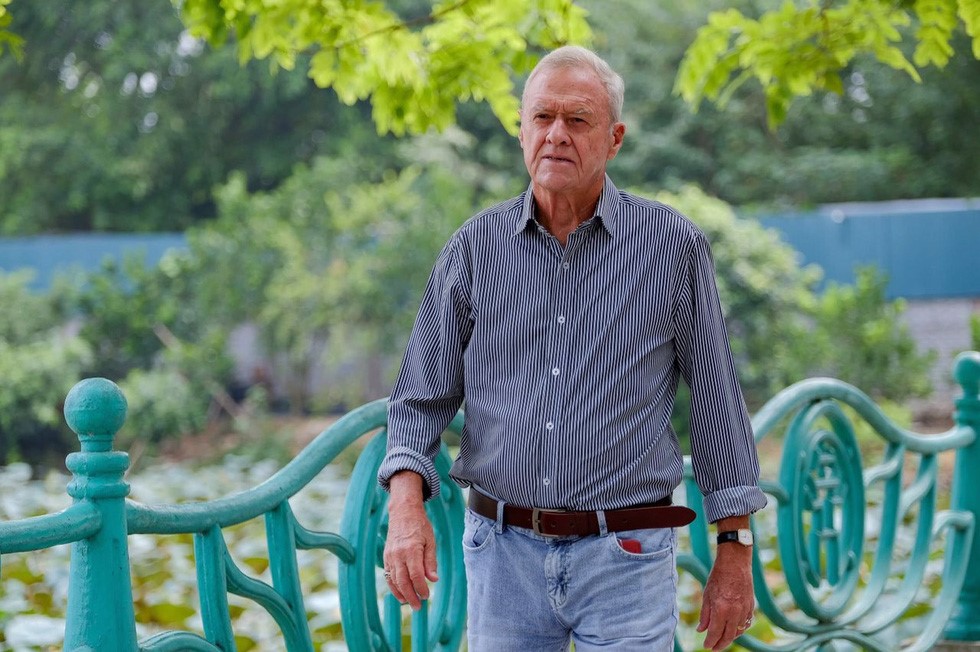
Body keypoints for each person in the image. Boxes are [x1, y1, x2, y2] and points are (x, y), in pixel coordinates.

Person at [377, 45, 767, 652]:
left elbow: (717, 402)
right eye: (542, 118)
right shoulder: (473, 249)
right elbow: (420, 397)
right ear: (521, 129)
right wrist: (405, 506)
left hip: (628, 556)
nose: (556, 135)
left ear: (614, 139)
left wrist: (734, 549)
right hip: (500, 554)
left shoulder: (672, 246)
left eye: (577, 120)